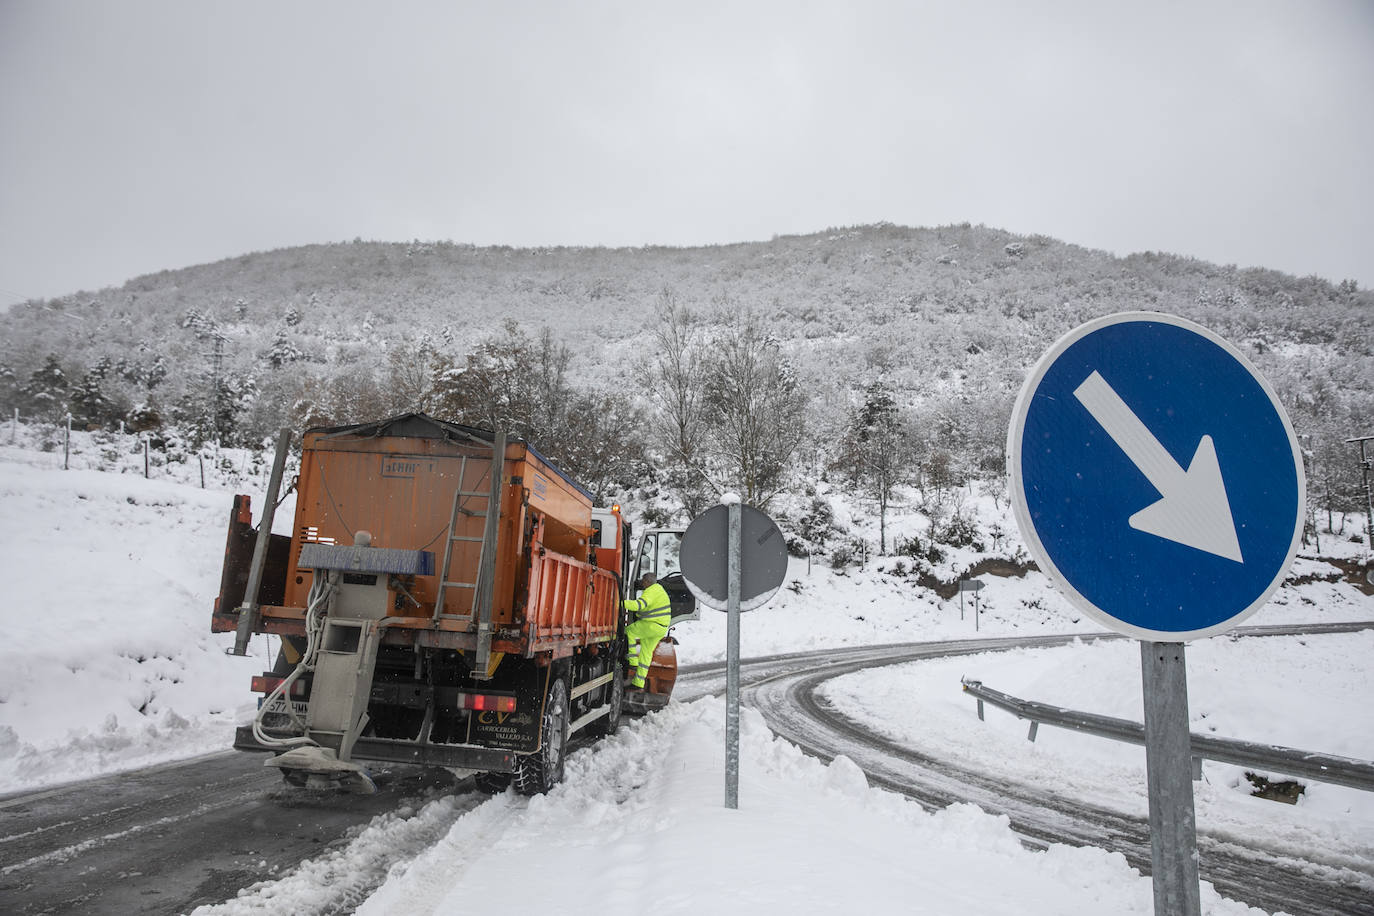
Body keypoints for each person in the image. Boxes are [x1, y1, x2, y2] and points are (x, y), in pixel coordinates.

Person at [622, 572, 671, 691]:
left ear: (647, 582)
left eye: (643, 581)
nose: (642, 583)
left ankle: (632, 661)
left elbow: (639, 605)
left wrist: (620, 603)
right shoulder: (659, 590)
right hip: (661, 627)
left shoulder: (651, 591)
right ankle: (638, 682)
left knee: (629, 631)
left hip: (652, 624)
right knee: (646, 654)